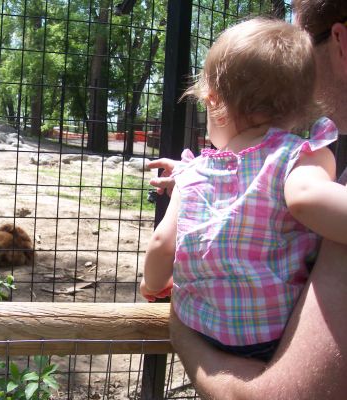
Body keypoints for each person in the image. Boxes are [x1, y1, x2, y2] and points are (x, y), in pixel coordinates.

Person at [148, 1, 347, 398]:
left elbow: (160, 244)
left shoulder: (193, 174)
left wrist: (152, 287)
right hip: (270, 332)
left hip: (204, 326)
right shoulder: (299, 156)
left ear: (213, 102)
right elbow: (306, 196)